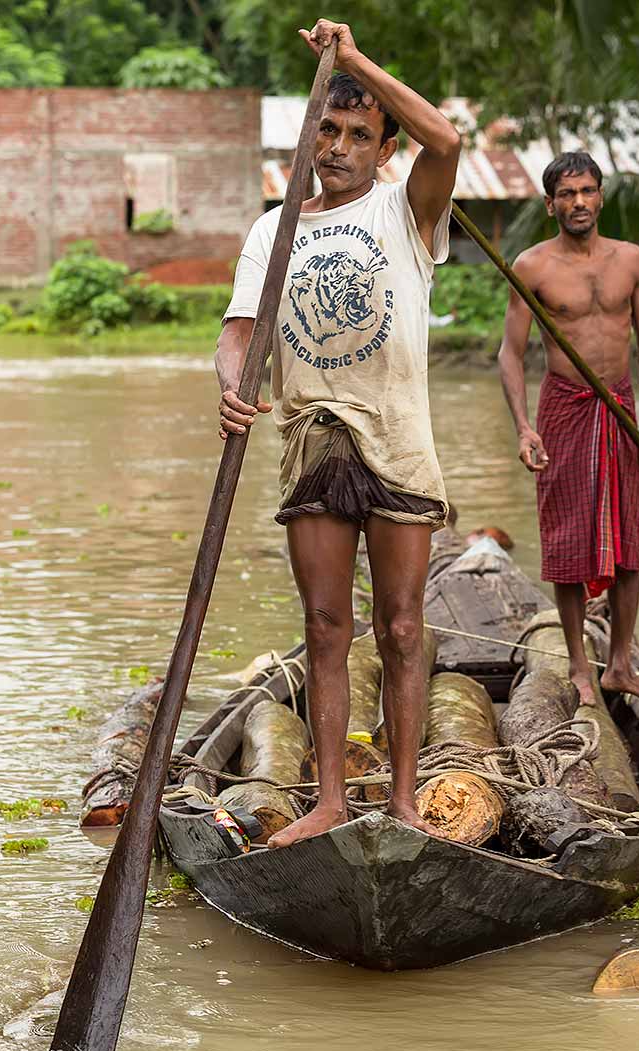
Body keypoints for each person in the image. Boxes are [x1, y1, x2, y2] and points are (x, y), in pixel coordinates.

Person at [214, 18, 461, 847]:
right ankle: (328, 800)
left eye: (360, 134)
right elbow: (242, 331)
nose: (340, 146)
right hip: (313, 438)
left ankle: (402, 796)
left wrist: (353, 62)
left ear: (384, 149)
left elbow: (448, 137)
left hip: (397, 438)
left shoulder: (408, 209)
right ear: (310, 134)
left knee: (399, 625)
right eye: (329, 128)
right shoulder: (273, 227)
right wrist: (231, 385)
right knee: (327, 626)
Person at [496, 151, 639, 710]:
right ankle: (578, 665)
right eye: (567, 194)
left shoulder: (631, 261)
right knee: (568, 539)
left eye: (588, 191)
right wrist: (525, 428)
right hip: (565, 408)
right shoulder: (532, 267)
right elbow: (510, 353)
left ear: (601, 197)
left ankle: (620, 665)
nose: (579, 202)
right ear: (550, 204)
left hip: (620, 409)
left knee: (628, 541)